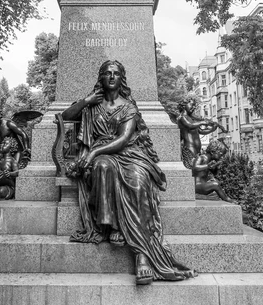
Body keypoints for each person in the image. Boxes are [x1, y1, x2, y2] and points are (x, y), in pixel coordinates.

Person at [62, 60, 197, 285]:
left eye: (116, 73)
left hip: (129, 153)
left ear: (121, 78)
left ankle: (142, 255)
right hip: (104, 157)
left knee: (137, 181)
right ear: (101, 78)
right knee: (103, 167)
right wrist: (86, 101)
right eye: (107, 73)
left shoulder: (128, 107)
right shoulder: (93, 106)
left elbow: (124, 139)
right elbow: (66, 116)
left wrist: (94, 151)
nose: (112, 77)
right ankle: (113, 225)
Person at [167, 93, 228, 169]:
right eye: (192, 105)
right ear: (184, 105)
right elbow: (190, 125)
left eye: (194, 106)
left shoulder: (192, 119)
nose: (193, 107)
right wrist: (202, 122)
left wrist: (212, 129)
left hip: (197, 148)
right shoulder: (182, 117)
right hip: (189, 148)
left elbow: (200, 131)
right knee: (194, 168)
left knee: (198, 168)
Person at [192, 138, 233, 203]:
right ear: (212, 152)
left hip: (202, 184)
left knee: (216, 182)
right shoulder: (202, 157)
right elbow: (194, 167)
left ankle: (220, 197)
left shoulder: (210, 161)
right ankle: (227, 199)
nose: (221, 157)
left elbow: (215, 173)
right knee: (215, 184)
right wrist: (207, 166)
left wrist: (216, 166)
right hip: (196, 185)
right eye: (220, 154)